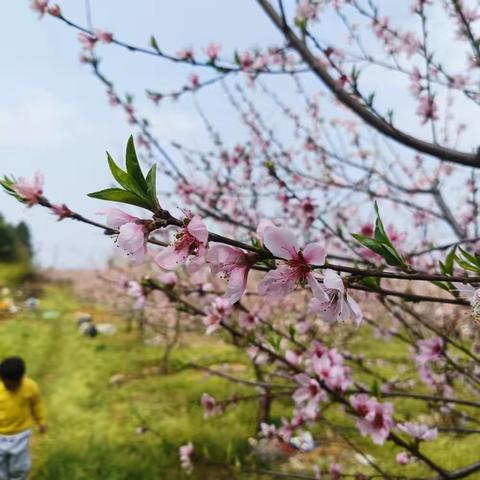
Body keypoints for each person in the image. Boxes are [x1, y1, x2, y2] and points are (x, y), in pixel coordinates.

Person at [0, 357, 46, 480]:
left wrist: (40, 421)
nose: (11, 387)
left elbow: (36, 404)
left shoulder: (30, 387)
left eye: (15, 384)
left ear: (22, 378)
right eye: (7, 384)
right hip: (0, 435)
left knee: (19, 468)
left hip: (20, 434)